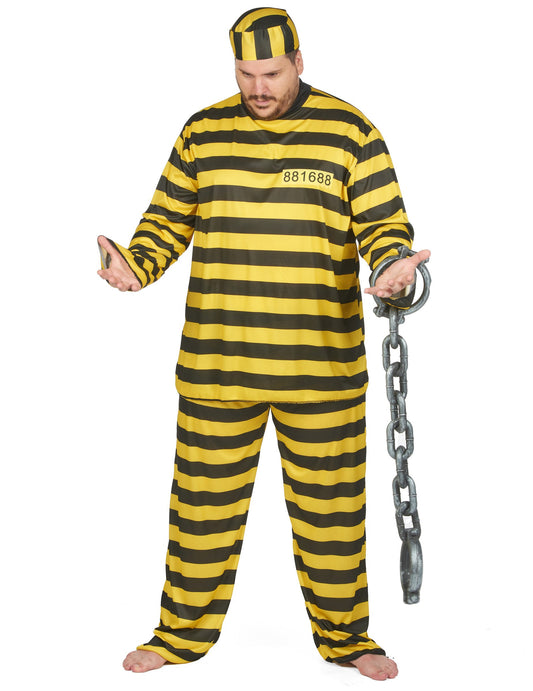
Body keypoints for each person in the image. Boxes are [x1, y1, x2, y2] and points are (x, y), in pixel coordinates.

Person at [97, 7, 430, 682]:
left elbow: (384, 228)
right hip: (217, 365)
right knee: (200, 513)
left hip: (323, 370)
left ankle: (347, 638)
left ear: (299, 63)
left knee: (333, 517)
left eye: (271, 73)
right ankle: (179, 634)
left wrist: (395, 268)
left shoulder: (349, 132)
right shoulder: (202, 132)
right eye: (245, 73)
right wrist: (135, 265)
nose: (258, 88)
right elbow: (166, 221)